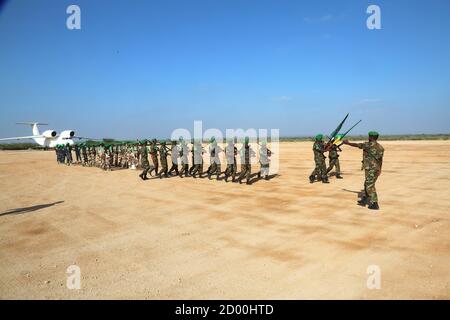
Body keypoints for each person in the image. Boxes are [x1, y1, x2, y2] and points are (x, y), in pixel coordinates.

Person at [343, 131, 384, 210]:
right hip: (376, 169)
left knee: (370, 185)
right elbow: (381, 159)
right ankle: (365, 199)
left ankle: (375, 203)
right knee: (367, 183)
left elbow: (357, 145)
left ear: (371, 137)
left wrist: (347, 143)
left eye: (369, 136)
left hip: (370, 169)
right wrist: (380, 169)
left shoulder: (367, 145)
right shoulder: (380, 147)